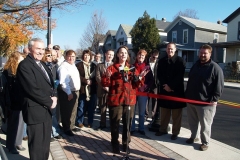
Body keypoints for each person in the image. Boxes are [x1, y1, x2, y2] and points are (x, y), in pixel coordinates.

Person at [17, 38, 58, 160]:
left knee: (45, 145)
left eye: (42, 49)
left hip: (46, 111)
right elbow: (32, 89)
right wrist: (50, 102)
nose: (41, 52)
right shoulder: (24, 66)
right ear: (30, 49)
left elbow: (52, 83)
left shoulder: (43, 64)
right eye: (38, 49)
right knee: (37, 147)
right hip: (35, 112)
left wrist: (55, 96)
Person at [101, 46, 147, 154]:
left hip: (129, 100)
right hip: (116, 100)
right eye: (121, 53)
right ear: (117, 55)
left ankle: (126, 143)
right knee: (115, 123)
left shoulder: (131, 68)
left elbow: (136, 85)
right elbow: (104, 83)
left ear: (127, 55)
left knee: (128, 124)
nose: (123, 54)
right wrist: (107, 77)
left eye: (125, 53)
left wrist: (140, 78)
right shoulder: (111, 68)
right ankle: (114, 143)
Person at [185, 44, 224, 151]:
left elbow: (219, 87)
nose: (202, 55)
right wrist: (187, 95)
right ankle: (194, 137)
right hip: (191, 100)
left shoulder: (215, 68)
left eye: (205, 53)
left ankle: (205, 142)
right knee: (192, 122)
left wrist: (213, 100)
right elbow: (190, 81)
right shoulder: (195, 65)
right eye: (201, 52)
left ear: (210, 54)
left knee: (205, 125)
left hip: (206, 104)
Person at [155, 42, 186, 140]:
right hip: (164, 91)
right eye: (168, 48)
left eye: (172, 49)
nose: (170, 50)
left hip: (176, 92)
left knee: (176, 115)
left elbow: (179, 76)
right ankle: (163, 129)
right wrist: (165, 86)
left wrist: (171, 86)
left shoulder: (181, 61)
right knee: (164, 113)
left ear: (175, 49)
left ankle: (175, 132)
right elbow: (159, 75)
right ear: (166, 49)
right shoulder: (161, 61)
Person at [3, 51, 25, 154]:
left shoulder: (19, 71)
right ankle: (11, 145)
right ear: (15, 60)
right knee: (13, 124)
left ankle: (18, 142)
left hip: (20, 101)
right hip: (12, 103)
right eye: (21, 59)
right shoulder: (8, 72)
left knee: (20, 123)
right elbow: (7, 90)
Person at [57, 50, 81, 136]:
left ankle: (72, 126)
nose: (71, 58)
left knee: (73, 110)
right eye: (69, 56)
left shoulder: (73, 65)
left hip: (75, 91)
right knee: (67, 112)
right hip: (68, 92)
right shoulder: (63, 67)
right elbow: (63, 82)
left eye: (73, 56)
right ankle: (66, 128)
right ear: (66, 57)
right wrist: (69, 93)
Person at [131, 49, 153, 135]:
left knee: (142, 112)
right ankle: (132, 128)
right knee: (132, 111)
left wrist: (146, 87)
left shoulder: (147, 68)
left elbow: (151, 80)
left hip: (143, 92)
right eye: (139, 55)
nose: (141, 57)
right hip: (133, 91)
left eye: (143, 56)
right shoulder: (132, 66)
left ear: (145, 57)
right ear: (137, 56)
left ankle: (141, 128)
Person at [42, 49, 62, 141]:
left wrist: (55, 85)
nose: (51, 57)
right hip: (45, 93)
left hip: (54, 92)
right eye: (48, 55)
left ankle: (55, 131)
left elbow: (58, 78)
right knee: (46, 114)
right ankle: (48, 134)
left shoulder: (55, 66)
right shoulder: (42, 66)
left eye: (52, 55)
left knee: (53, 113)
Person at [76, 49, 97, 128]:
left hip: (92, 89)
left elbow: (96, 76)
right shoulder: (79, 65)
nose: (86, 57)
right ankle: (79, 121)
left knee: (91, 107)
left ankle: (90, 122)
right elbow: (77, 76)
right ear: (83, 56)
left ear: (90, 56)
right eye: (85, 55)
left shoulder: (94, 65)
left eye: (88, 55)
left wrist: (92, 81)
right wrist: (85, 81)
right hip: (82, 89)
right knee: (81, 106)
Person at [95, 49, 114, 130]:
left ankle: (112, 124)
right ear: (105, 54)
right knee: (103, 108)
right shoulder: (100, 65)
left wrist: (110, 87)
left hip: (112, 91)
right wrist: (104, 86)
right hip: (102, 90)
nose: (110, 56)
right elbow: (97, 77)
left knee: (112, 109)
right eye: (109, 54)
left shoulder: (115, 65)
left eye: (112, 55)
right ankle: (102, 124)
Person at [145, 49, 159, 120]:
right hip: (147, 84)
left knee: (155, 100)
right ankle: (146, 115)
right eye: (154, 57)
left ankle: (153, 115)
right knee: (146, 99)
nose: (155, 59)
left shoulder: (158, 63)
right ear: (151, 55)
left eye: (157, 58)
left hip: (155, 84)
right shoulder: (146, 62)